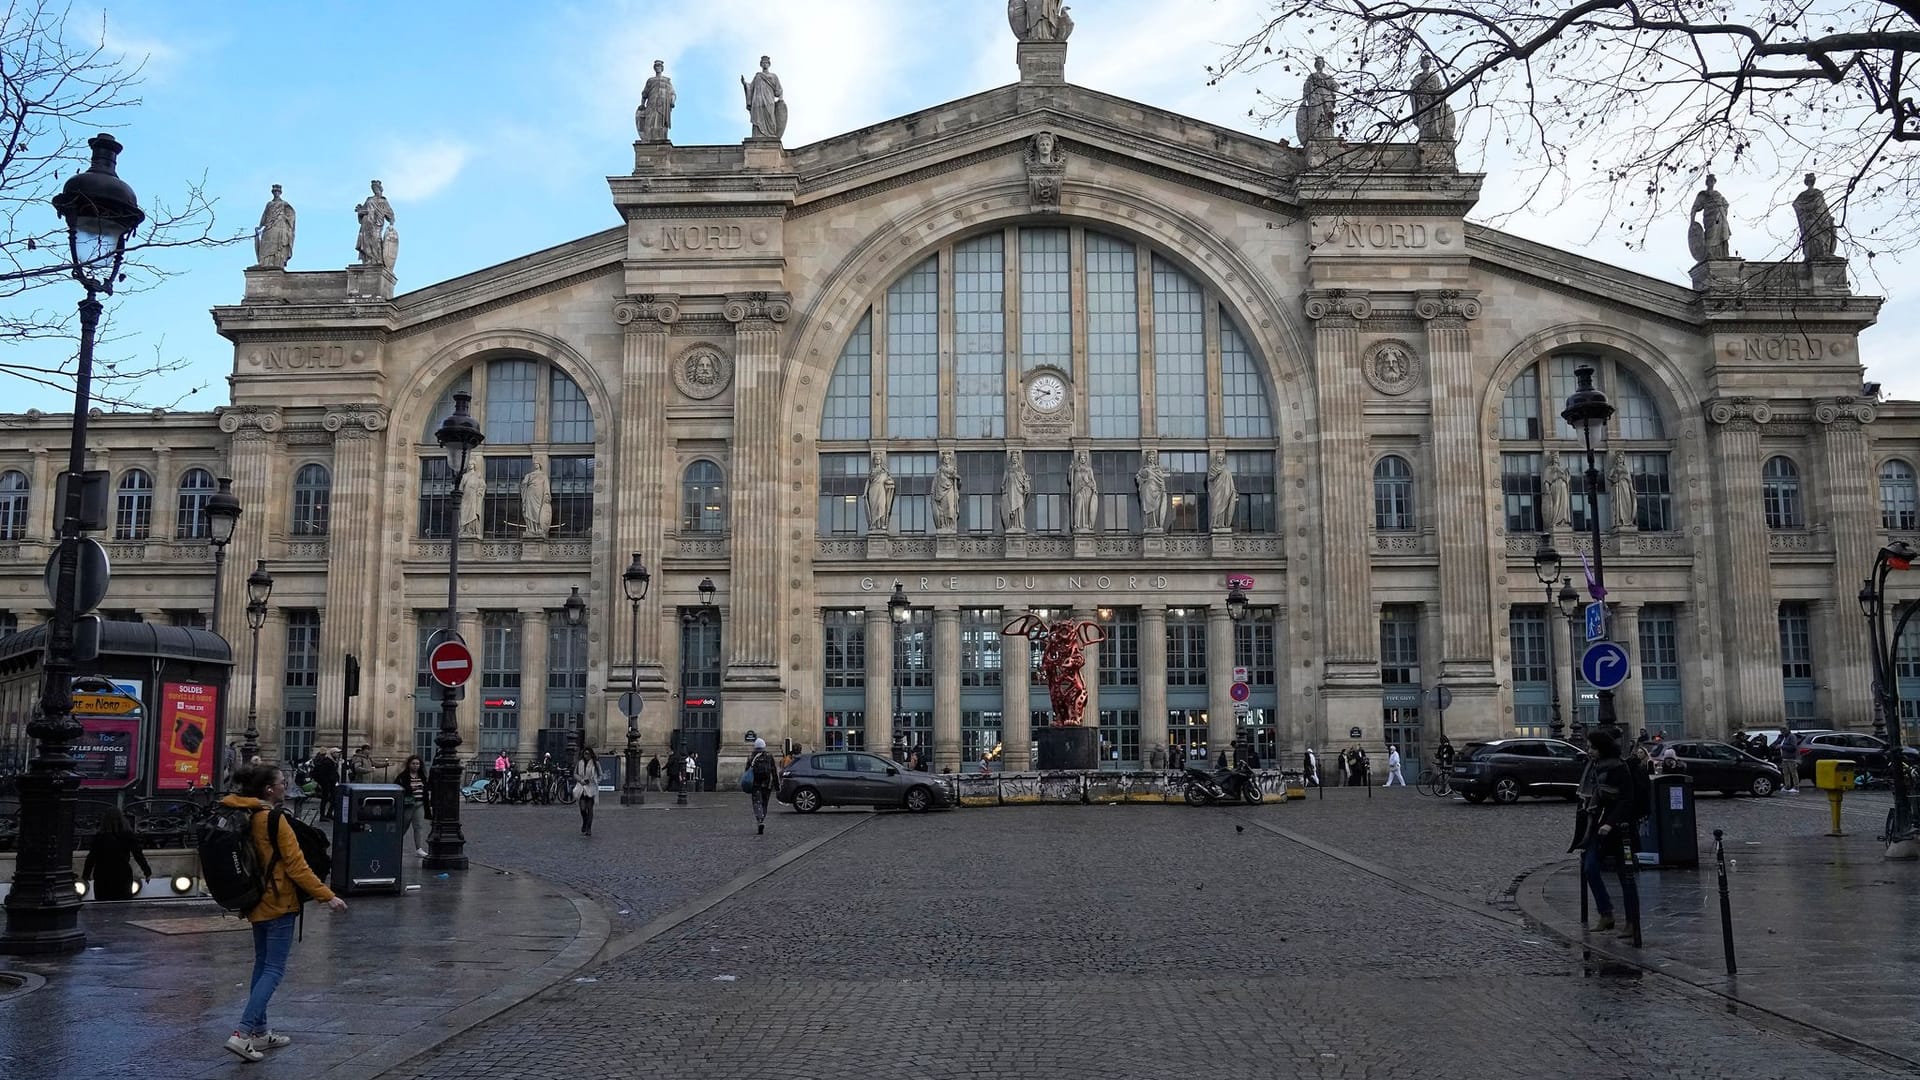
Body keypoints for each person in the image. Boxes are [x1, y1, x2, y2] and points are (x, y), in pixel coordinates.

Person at [220, 763, 347, 1062]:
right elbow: (296, 866)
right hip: (278, 901)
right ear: (269, 790)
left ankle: (260, 1032)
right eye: (281, 782)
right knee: (274, 970)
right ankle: (242, 1033)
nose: (285, 785)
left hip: (256, 899)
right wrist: (327, 896)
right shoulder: (274, 819)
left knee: (262, 966)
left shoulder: (245, 812)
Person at [1569, 730, 1640, 938]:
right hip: (1595, 828)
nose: (1588, 751)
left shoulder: (1619, 768)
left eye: (1592, 747)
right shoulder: (1592, 768)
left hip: (1618, 831)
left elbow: (1627, 800)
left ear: (1602, 748)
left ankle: (1632, 922)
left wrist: (1610, 823)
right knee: (1590, 867)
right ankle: (1606, 913)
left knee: (1625, 876)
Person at [82, 806, 151, 902]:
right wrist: (147, 872)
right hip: (122, 874)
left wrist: (86, 875)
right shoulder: (128, 835)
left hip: (102, 875)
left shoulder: (100, 837)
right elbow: (138, 855)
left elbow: (91, 857)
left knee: (102, 905)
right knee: (123, 905)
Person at [395, 755, 429, 856]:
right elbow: (398, 788)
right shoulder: (403, 776)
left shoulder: (422, 776)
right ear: (409, 764)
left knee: (418, 826)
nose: (415, 766)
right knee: (403, 826)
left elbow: (426, 788)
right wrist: (412, 789)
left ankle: (419, 848)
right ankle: (395, 844)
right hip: (408, 805)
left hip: (420, 804)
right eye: (413, 763)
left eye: (417, 764)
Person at [746, 737, 779, 834]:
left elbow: (747, 772)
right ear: (764, 746)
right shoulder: (769, 756)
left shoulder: (751, 756)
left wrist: (747, 784)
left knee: (757, 803)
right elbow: (774, 771)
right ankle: (763, 818)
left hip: (755, 784)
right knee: (764, 803)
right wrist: (777, 786)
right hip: (767, 784)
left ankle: (760, 820)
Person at [574, 746, 601, 835]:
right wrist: (580, 780)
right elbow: (575, 774)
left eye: (588, 754)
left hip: (591, 788)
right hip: (581, 787)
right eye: (585, 754)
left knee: (590, 808)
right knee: (582, 808)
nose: (586, 756)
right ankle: (585, 822)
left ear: (591, 754)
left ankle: (589, 828)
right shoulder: (580, 763)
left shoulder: (595, 763)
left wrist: (595, 781)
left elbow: (600, 775)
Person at [312, 748, 340, 822]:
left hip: (331, 783)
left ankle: (329, 813)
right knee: (325, 799)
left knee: (333, 798)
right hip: (327, 783)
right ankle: (322, 815)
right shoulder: (327, 761)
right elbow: (323, 774)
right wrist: (325, 783)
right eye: (337, 752)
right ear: (333, 753)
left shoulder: (333, 761)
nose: (338, 754)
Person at [1779, 727, 1801, 793]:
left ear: (1786, 730)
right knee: (1786, 773)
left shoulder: (1792, 737)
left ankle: (1796, 787)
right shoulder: (1785, 737)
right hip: (1785, 758)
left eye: (1782, 731)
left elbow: (1793, 747)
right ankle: (1787, 786)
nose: (1782, 733)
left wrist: (1782, 746)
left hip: (1791, 758)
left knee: (1793, 773)